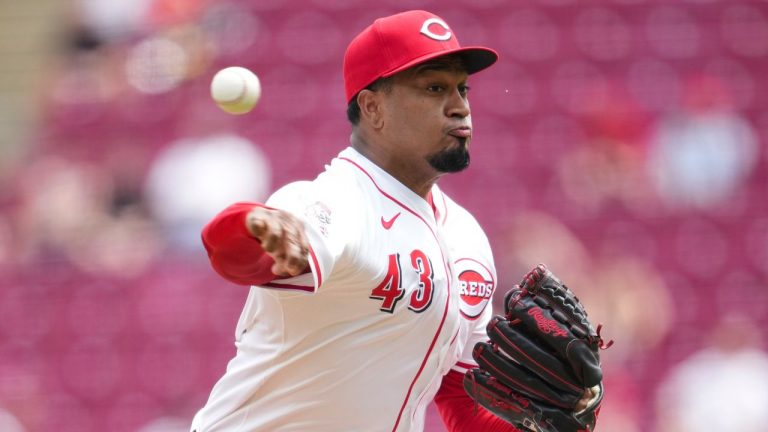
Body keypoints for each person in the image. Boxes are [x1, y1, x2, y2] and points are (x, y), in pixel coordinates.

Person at [191, 10, 521, 432]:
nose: (459, 107)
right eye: (435, 87)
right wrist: (256, 228)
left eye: (462, 88)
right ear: (373, 108)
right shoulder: (339, 201)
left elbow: (459, 395)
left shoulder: (466, 236)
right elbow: (233, 249)